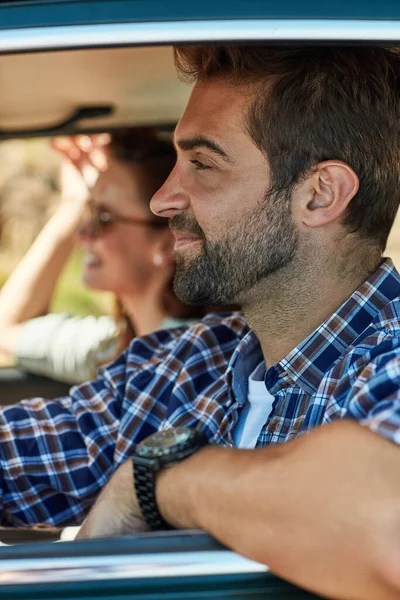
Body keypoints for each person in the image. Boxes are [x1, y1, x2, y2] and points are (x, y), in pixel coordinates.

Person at [0, 44, 398, 590]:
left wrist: (159, 483)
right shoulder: (188, 363)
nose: (164, 199)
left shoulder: (388, 362)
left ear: (318, 194)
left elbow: (385, 527)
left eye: (203, 164)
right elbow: (16, 458)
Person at [0, 130, 201, 384]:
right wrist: (72, 204)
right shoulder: (110, 347)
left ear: (166, 243)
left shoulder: (191, 357)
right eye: (90, 211)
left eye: (104, 218)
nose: (82, 234)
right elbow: (5, 329)